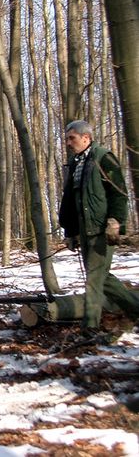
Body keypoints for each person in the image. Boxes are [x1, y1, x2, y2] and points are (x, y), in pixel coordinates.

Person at [59, 120, 139, 331]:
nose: (68, 142)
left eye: (72, 138)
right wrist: (70, 231)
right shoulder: (76, 164)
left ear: (86, 138)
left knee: (93, 279)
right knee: (103, 278)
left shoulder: (104, 158)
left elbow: (119, 193)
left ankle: (90, 328)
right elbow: (71, 201)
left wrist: (115, 222)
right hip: (86, 231)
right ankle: (136, 309)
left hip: (102, 230)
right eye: (67, 138)